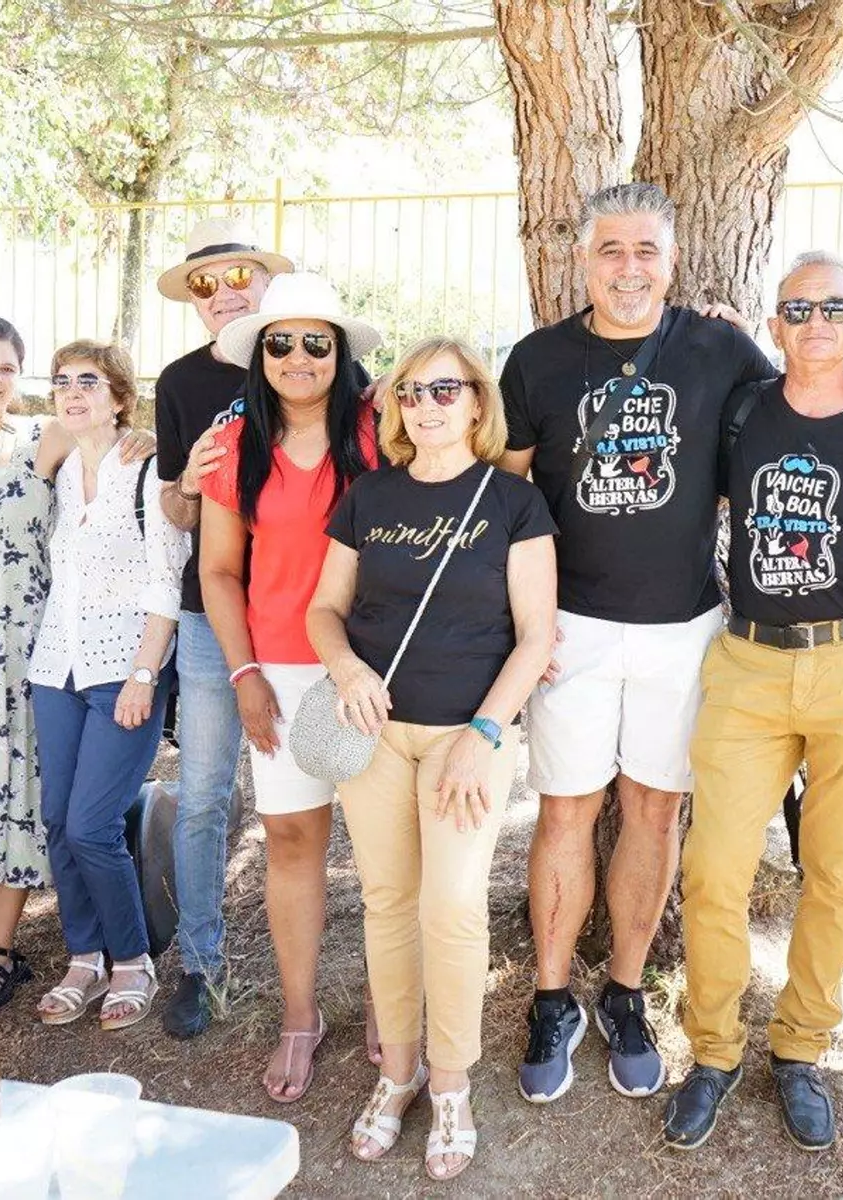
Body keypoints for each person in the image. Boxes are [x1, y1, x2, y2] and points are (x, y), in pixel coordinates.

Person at [499, 181, 843, 1103]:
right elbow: (510, 497)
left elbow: (812, 392)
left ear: (673, 261)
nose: (629, 268)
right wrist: (523, 622)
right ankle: (552, 999)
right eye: (611, 250)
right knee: (566, 811)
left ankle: (626, 992)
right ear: (582, 258)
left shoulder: (720, 348)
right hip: (570, 628)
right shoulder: (537, 360)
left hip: (687, 626)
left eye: (646, 250)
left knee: (653, 811)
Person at [662, 252, 843, 1151]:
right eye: (798, 309)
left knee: (834, 873)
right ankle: (713, 1051)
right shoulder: (743, 414)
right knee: (714, 868)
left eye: (835, 308)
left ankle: (799, 1047)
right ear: (776, 325)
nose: (817, 322)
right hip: (749, 665)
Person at [307, 337, 556, 1181]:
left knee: (449, 905)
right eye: (411, 392)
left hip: (467, 737)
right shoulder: (369, 495)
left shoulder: (515, 502)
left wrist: (483, 736)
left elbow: (536, 637)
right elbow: (325, 609)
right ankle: (399, 1072)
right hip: (375, 733)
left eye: (446, 389)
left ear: (478, 401)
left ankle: (451, 1083)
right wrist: (346, 670)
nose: (427, 405)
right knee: (387, 902)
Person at [198, 271, 381, 1102]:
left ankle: (389, 1001)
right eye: (281, 342)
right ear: (260, 354)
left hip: (373, 670)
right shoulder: (234, 447)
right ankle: (300, 1017)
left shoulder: (382, 431)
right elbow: (218, 570)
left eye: (316, 342)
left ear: (339, 353)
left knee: (385, 851)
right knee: (295, 843)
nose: (298, 357)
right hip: (278, 668)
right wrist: (244, 673)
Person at [0, 316, 152, 1011]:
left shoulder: (42, 440)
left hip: (19, 653)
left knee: (18, 792)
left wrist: (149, 440)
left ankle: (2, 949)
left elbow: (114, 435)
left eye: (7, 368)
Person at [154, 217, 293, 1037]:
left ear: (267, 282)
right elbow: (176, 512)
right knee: (205, 794)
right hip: (213, 614)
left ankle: (353, 976)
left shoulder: (310, 354)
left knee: (321, 794)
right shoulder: (179, 383)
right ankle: (201, 965)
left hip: (307, 615)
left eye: (240, 275)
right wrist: (189, 479)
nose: (224, 293)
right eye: (206, 283)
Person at [30, 340, 188, 1030]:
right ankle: (84, 956)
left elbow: (166, 582)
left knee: (93, 824)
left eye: (89, 382)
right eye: (62, 381)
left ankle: (132, 959)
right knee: (58, 821)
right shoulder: (60, 467)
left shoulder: (147, 468)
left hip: (125, 670)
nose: (72, 392)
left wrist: (144, 676)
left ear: (120, 398)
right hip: (54, 667)